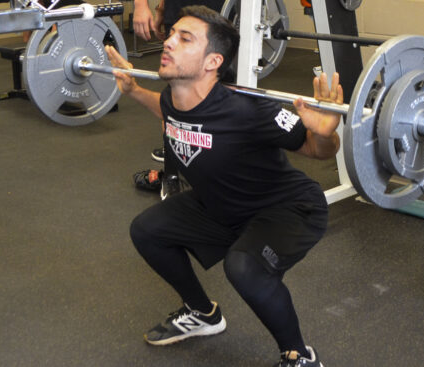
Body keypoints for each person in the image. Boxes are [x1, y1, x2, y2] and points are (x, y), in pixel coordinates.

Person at [106, 5, 343, 367]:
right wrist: (134, 90)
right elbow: (169, 112)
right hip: (221, 205)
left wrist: (326, 133)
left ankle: (299, 356)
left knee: (243, 267)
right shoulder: (176, 94)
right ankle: (203, 314)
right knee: (147, 230)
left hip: (288, 209)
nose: (168, 41)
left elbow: (317, 149)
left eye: (184, 39)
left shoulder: (248, 109)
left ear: (212, 61)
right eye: (171, 34)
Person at [131, 0, 226, 198]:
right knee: (178, 92)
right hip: (181, 11)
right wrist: (146, 6)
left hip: (225, 12)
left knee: (223, 92)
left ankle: (217, 171)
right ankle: (172, 175)